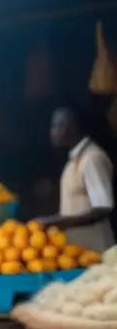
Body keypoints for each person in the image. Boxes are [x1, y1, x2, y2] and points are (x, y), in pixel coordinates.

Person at [37, 107, 115, 252]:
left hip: (96, 250)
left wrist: (58, 222)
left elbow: (103, 208)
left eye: (56, 126)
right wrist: (52, 221)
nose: (52, 132)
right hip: (79, 251)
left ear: (71, 128)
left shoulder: (92, 159)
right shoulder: (74, 161)